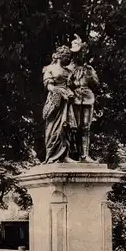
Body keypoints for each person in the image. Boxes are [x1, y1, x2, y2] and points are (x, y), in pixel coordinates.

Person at [42, 45, 78, 164]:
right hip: (55, 101)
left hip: (67, 102)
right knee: (53, 128)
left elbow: (71, 86)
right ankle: (52, 156)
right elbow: (49, 86)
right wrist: (60, 91)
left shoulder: (68, 72)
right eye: (66, 55)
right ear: (59, 55)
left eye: (69, 56)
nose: (68, 58)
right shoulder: (50, 68)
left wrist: (69, 93)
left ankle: (65, 155)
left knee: (66, 127)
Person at [68, 34, 99, 162]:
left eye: (81, 53)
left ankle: (84, 156)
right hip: (74, 98)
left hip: (87, 98)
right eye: (76, 53)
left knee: (86, 127)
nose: (78, 56)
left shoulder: (89, 69)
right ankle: (70, 155)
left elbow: (96, 84)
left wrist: (91, 76)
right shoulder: (69, 68)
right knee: (73, 127)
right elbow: (64, 84)